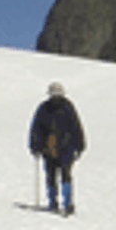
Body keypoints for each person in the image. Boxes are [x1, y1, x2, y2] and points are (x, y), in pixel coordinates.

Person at [28, 81, 86, 215]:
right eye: (54, 95)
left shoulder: (68, 107)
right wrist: (35, 146)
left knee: (66, 174)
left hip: (66, 147)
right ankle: (52, 202)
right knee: (51, 175)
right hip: (49, 147)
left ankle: (68, 203)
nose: (56, 97)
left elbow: (76, 126)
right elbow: (36, 128)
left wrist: (80, 145)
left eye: (58, 94)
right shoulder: (43, 108)